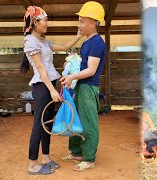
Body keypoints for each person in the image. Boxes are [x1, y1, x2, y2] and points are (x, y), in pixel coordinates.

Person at [20, 5, 83, 175]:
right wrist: (52, 91)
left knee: (47, 123)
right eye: (45, 20)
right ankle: (32, 164)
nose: (47, 23)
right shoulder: (30, 41)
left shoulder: (42, 41)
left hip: (49, 85)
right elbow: (40, 68)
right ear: (35, 22)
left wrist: (79, 36)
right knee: (38, 125)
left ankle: (46, 158)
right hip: (42, 87)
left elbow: (63, 47)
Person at [59, 1, 106, 172]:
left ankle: (89, 159)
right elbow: (83, 65)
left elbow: (92, 69)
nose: (79, 24)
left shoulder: (96, 43)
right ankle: (77, 153)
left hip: (88, 88)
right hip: (80, 86)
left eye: (82, 21)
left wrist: (72, 76)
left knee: (88, 124)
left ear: (93, 22)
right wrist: (72, 64)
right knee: (75, 120)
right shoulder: (87, 43)